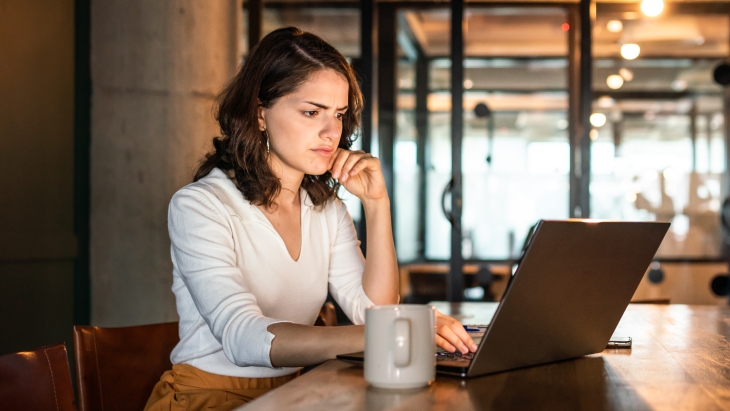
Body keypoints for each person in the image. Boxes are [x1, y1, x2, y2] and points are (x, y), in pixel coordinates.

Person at [144, 27, 477, 411]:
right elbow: (242, 338)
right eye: (311, 112)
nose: (331, 132)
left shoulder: (326, 208)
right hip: (208, 398)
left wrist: (377, 204)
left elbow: (376, 311)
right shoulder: (200, 206)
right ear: (260, 114)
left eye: (338, 114)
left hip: (297, 393)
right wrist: (387, 333)